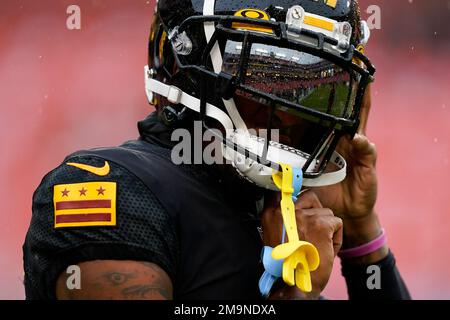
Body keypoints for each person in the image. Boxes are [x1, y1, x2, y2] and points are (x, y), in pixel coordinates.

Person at [23, 0, 410, 300]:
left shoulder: (281, 208)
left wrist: (363, 237)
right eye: (263, 77)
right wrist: (294, 292)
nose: (291, 115)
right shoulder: (116, 191)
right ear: (184, 70)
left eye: (316, 87)